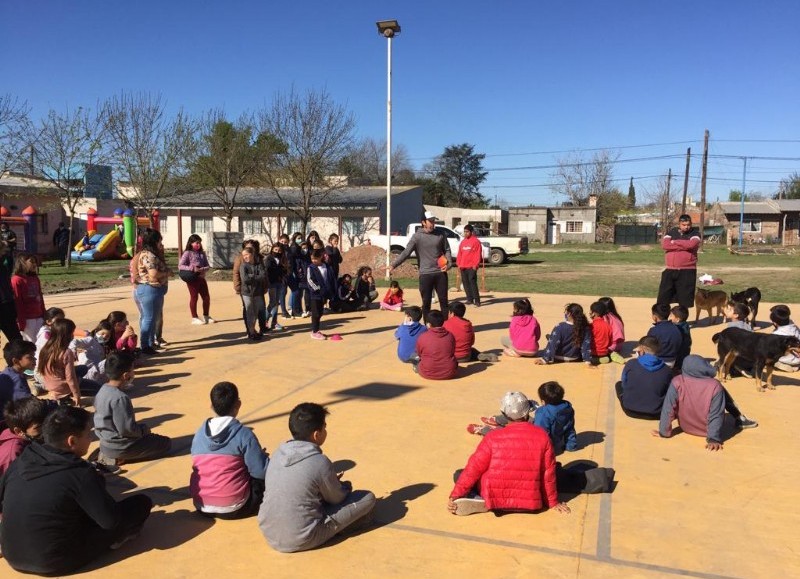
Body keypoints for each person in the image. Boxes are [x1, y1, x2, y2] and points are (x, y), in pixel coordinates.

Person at [0, 406, 153, 575]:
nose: (90, 439)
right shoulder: (79, 473)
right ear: (72, 441)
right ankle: (116, 542)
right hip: (54, 561)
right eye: (88, 434)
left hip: (12, 554)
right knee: (141, 503)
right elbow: (110, 521)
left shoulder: (22, 460)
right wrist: (96, 484)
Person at [258, 402, 376, 553]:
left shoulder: (278, 453)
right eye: (324, 428)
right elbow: (337, 499)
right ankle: (342, 528)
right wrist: (343, 486)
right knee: (367, 498)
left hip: (270, 533)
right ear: (316, 434)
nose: (326, 431)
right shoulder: (319, 461)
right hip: (302, 537)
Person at [449, 391, 570, 516]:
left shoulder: (492, 437)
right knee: (555, 470)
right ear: (528, 411)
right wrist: (553, 502)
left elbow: (473, 469)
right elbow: (548, 475)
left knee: (460, 474)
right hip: (530, 503)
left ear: (504, 414)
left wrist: (455, 495)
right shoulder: (543, 436)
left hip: (495, 498)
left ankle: (480, 498)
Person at [190, 382, 268, 519]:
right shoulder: (244, 434)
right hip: (236, 507)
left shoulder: (199, 434)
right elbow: (261, 472)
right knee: (262, 479)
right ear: (238, 405)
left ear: (211, 406)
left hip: (201, 506)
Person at [653, 355, 758, 451]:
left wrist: (664, 432)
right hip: (706, 432)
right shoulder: (714, 385)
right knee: (721, 395)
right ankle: (740, 418)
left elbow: (668, 408)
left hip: (686, 428)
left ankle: (739, 418)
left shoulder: (677, 381)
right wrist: (713, 439)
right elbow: (716, 414)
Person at [93, 351, 171, 466]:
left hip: (105, 442)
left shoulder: (102, 390)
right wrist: (143, 430)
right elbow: (127, 430)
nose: (133, 374)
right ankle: (119, 457)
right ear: (125, 375)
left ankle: (110, 453)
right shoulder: (120, 398)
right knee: (165, 443)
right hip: (121, 446)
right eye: (132, 370)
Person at [390, 210, 452, 322]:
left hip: (440, 273)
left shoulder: (440, 234)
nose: (433, 223)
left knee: (444, 301)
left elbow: (447, 249)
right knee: (426, 302)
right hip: (425, 275)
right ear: (423, 222)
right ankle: (427, 325)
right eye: (430, 221)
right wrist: (393, 265)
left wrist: (449, 263)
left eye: (434, 221)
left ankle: (445, 325)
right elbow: (406, 253)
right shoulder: (417, 237)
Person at [38, 318, 101, 406]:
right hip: (62, 386)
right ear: (67, 335)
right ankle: (65, 396)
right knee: (100, 389)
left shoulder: (46, 348)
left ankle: (60, 393)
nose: (73, 335)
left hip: (50, 383)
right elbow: (70, 377)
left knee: (83, 368)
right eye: (72, 333)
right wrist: (77, 395)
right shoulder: (66, 352)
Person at [616, 336, 673, 419]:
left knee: (618, 384)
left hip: (630, 410)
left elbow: (624, 384)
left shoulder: (631, 364)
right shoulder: (667, 370)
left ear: (642, 351)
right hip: (657, 413)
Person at [132, 228, 169, 354]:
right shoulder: (149, 255)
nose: (161, 243)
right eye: (159, 240)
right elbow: (153, 274)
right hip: (150, 289)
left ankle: (150, 344)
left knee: (152, 318)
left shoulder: (151, 254)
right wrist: (167, 272)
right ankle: (145, 346)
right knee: (149, 318)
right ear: (154, 241)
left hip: (154, 290)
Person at [657, 214, 700, 309]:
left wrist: (674, 242)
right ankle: (663, 320)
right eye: (684, 225)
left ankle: (682, 322)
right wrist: (683, 245)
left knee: (684, 301)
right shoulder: (672, 232)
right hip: (670, 269)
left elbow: (691, 245)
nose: (686, 227)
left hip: (687, 271)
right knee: (663, 298)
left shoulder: (695, 233)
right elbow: (665, 245)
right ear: (679, 224)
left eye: (688, 224)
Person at [0, 397, 48, 477]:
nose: (45, 428)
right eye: (38, 427)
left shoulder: (14, 426)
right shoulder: (12, 453)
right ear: (19, 431)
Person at [179, 234, 215, 325]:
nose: (199, 245)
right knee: (194, 297)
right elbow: (180, 266)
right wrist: (192, 268)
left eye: (200, 243)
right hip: (192, 279)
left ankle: (206, 316)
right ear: (191, 243)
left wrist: (202, 269)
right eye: (197, 243)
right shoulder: (187, 253)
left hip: (201, 278)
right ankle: (194, 317)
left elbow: (207, 266)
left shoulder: (202, 254)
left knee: (206, 297)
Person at [11, 252, 46, 342]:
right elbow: (18, 302)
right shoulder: (16, 279)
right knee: (31, 344)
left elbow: (40, 298)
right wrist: (21, 321)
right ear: (22, 262)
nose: (34, 264)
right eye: (31, 262)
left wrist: (44, 314)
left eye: (35, 262)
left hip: (39, 317)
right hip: (27, 319)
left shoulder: (35, 278)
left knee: (42, 342)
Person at [413, 309, 458, 380]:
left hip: (427, 372)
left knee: (414, 357)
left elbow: (419, 354)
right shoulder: (450, 335)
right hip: (449, 372)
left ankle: (417, 367)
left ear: (429, 324)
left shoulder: (422, 336)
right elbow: (452, 351)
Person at [240, 246, 268, 341]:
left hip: (257, 292)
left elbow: (263, 276)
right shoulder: (243, 266)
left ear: (252, 255)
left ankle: (253, 330)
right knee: (249, 312)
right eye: (243, 255)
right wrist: (256, 277)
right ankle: (251, 332)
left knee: (255, 312)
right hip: (247, 293)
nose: (245, 257)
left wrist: (252, 276)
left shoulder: (258, 265)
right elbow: (245, 279)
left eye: (247, 254)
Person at [306, 248, 336, 340]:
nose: (314, 260)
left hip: (324, 293)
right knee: (315, 313)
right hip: (315, 294)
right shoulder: (311, 267)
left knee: (320, 312)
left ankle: (317, 330)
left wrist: (331, 290)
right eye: (312, 259)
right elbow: (310, 280)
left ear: (321, 257)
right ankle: (314, 332)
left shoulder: (326, 266)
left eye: (316, 258)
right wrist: (317, 288)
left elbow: (331, 278)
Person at [0, 339, 37, 404]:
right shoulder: (17, 381)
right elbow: (29, 406)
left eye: (33, 356)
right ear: (16, 361)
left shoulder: (7, 372)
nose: (35, 359)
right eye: (30, 357)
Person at [646, 303, 683, 367]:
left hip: (657, 361)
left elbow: (648, 348)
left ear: (655, 316)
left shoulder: (654, 330)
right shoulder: (677, 328)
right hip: (672, 362)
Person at [0, 240, 23, 343]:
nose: (5, 252)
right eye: (3, 250)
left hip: (6, 304)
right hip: (5, 305)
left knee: (17, 341)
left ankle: (18, 356)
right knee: (16, 340)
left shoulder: (3, 264)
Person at [457, 224, 483, 307]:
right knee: (465, 283)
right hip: (463, 266)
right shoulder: (463, 242)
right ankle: (469, 299)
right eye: (464, 232)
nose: (465, 233)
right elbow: (460, 254)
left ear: (471, 232)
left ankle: (477, 300)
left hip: (472, 266)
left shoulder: (476, 241)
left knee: (472, 282)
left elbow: (477, 254)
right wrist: (459, 264)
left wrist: (476, 264)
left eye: (467, 232)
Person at [265, 242, 288, 332]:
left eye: (279, 250)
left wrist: (283, 277)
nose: (277, 252)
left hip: (279, 283)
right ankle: (265, 321)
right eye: (275, 250)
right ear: (272, 249)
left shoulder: (282, 259)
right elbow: (268, 270)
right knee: (272, 302)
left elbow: (285, 270)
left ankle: (274, 322)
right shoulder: (269, 259)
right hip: (272, 283)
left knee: (276, 303)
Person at [770, 305, 800, 372]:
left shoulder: (776, 334)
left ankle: (785, 365)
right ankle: (795, 365)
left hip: (788, 360)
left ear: (774, 323)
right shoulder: (793, 326)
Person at [599, 296, 625, 363]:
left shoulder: (606, 317)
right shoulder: (615, 315)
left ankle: (611, 355)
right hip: (619, 344)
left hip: (613, 346)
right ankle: (612, 354)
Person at [669, 305, 692, 371]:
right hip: (685, 351)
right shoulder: (685, 324)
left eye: (671, 315)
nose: (669, 317)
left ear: (677, 319)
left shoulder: (677, 328)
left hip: (679, 354)